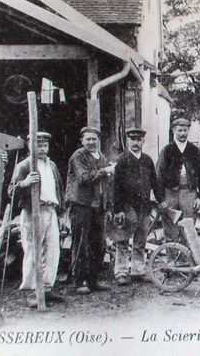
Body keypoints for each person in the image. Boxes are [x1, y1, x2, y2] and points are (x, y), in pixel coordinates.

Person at [9, 131, 64, 307]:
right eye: (37, 145)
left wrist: (61, 213)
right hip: (33, 211)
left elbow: (59, 190)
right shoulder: (24, 166)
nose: (41, 149)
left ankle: (46, 289)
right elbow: (11, 191)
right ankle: (32, 291)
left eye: (44, 145)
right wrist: (24, 183)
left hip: (50, 209)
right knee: (33, 252)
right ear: (29, 146)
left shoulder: (52, 166)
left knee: (52, 250)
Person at [65, 126, 114, 294]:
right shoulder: (78, 156)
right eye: (88, 139)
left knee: (99, 244)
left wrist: (108, 207)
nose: (92, 142)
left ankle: (93, 280)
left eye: (94, 139)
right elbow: (84, 177)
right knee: (80, 243)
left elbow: (106, 186)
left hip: (98, 207)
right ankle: (78, 281)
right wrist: (104, 171)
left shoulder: (102, 157)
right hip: (81, 205)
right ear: (82, 141)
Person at [112, 127, 157, 286]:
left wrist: (159, 200)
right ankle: (121, 272)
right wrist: (118, 209)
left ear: (143, 141)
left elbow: (154, 183)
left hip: (143, 207)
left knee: (141, 239)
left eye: (139, 140)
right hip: (126, 207)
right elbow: (115, 186)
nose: (136, 143)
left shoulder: (147, 160)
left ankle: (138, 270)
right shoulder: (121, 160)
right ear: (127, 141)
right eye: (132, 139)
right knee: (123, 239)